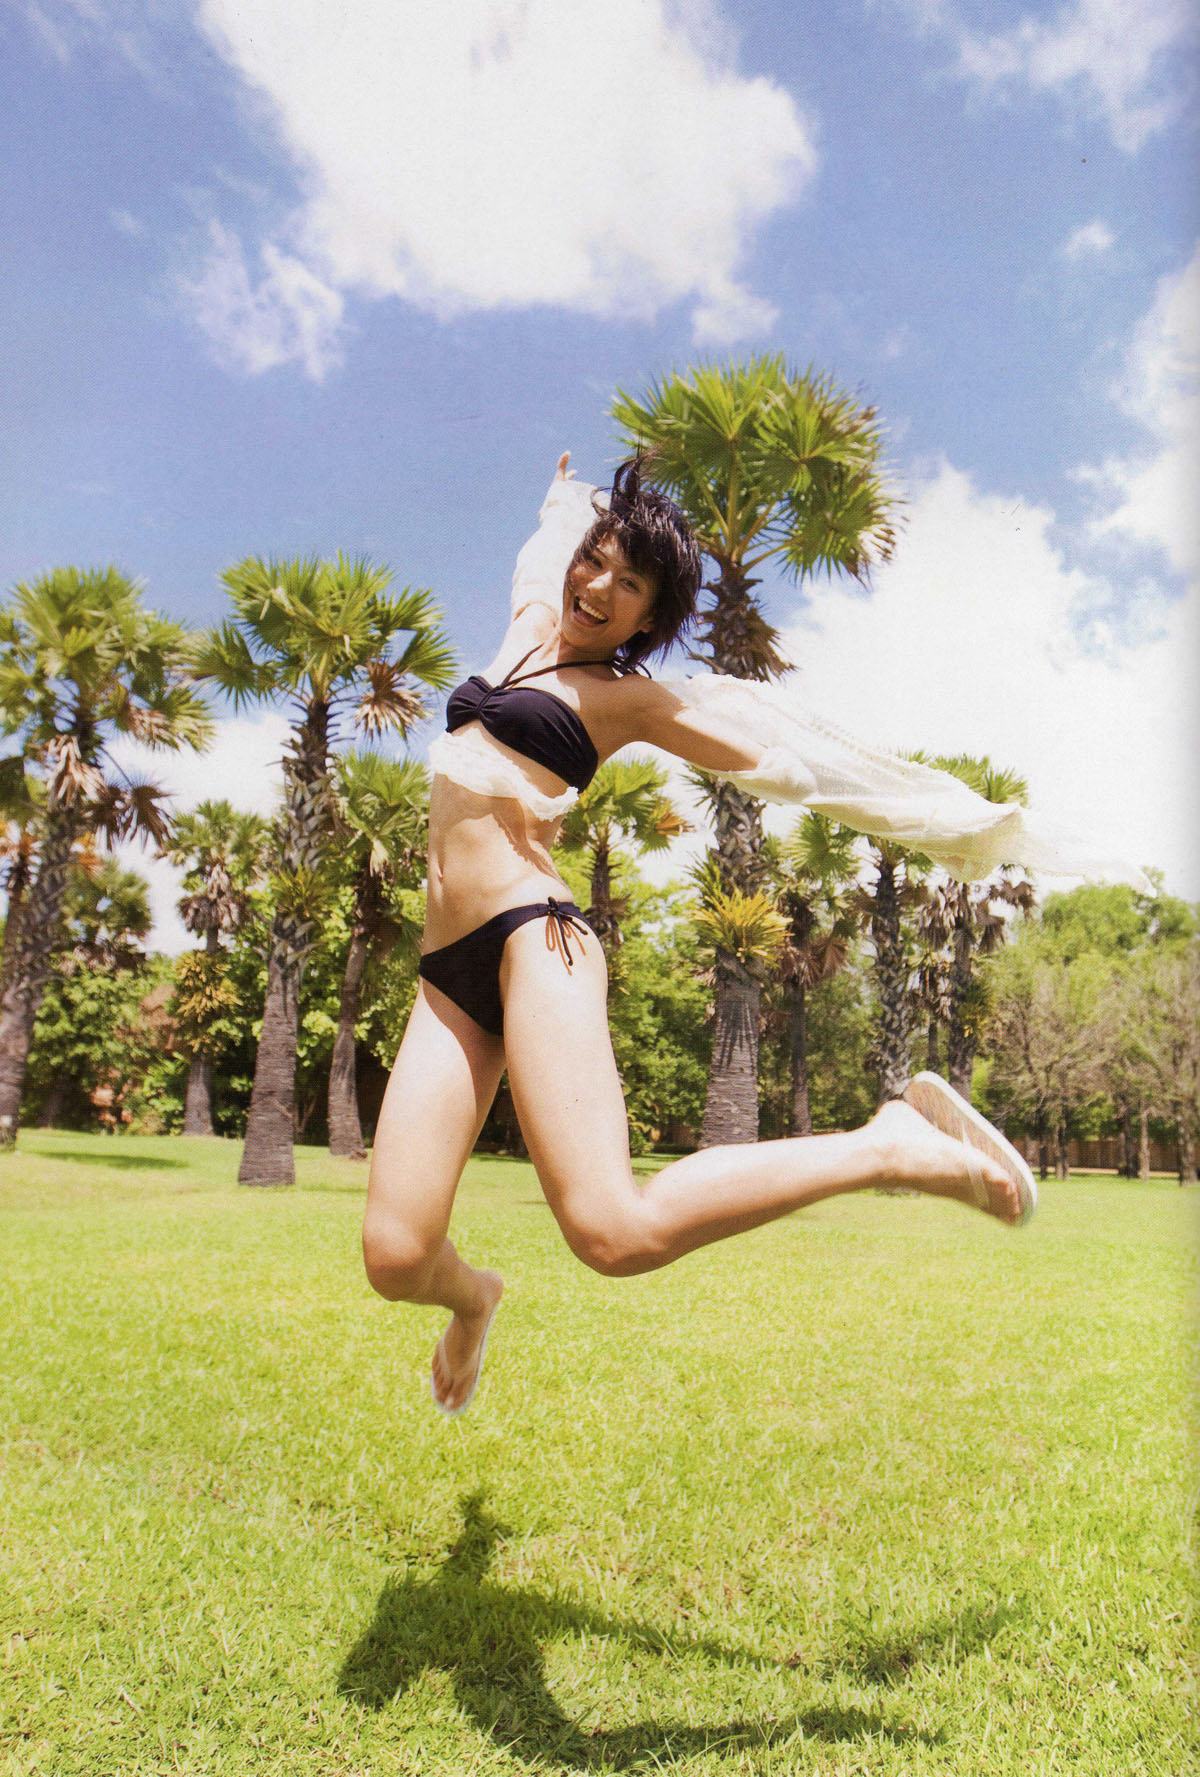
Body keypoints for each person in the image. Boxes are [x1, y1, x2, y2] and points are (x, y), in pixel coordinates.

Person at [362, 454, 1040, 1417]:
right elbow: (541, 558)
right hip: (446, 972)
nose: (598, 586)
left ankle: (886, 1143)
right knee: (396, 1255)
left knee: (614, 1230)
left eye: (629, 584)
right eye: (597, 561)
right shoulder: (526, 630)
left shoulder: (628, 700)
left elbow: (775, 760)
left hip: (532, 940)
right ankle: (475, 1301)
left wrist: (916, 809)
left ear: (648, 621)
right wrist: (562, 501)